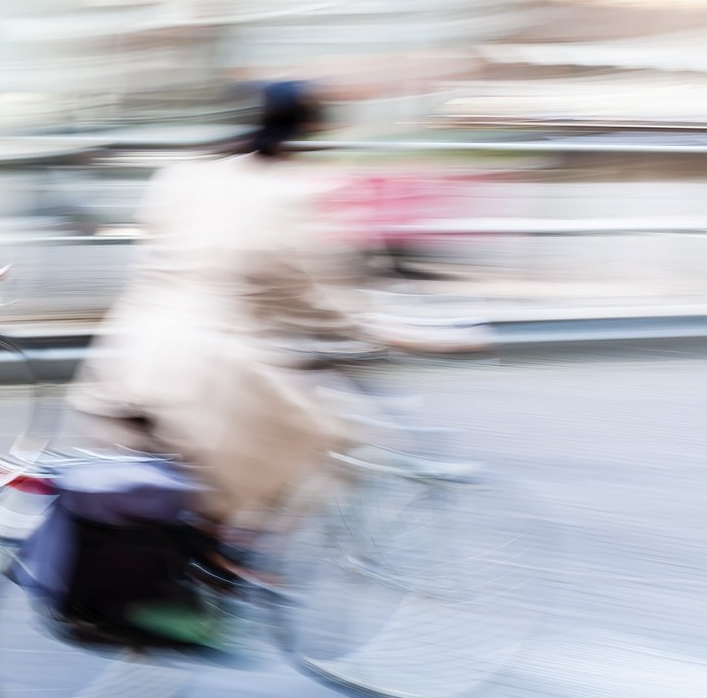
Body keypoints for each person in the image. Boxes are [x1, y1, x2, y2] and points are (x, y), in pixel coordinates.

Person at [65, 81, 481, 642]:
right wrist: (426, 338)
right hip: (207, 368)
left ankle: (206, 554)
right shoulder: (293, 195)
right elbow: (329, 304)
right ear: (313, 134)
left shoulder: (183, 176)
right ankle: (232, 555)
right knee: (328, 433)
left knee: (204, 465)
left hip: (130, 352)